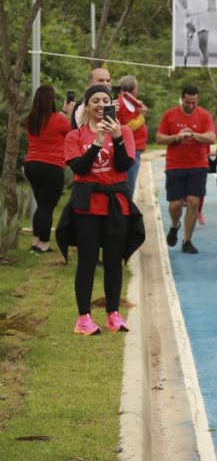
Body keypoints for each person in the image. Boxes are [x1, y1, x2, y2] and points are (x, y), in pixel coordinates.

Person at [57, 85, 143, 335]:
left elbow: (124, 165)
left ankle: (113, 315)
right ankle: (83, 318)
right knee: (86, 261)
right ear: (87, 105)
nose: (99, 104)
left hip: (116, 205)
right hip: (87, 207)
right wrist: (97, 142)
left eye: (105, 100)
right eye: (95, 100)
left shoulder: (125, 132)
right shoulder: (75, 136)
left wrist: (115, 137)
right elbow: (80, 169)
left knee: (114, 262)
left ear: (112, 105)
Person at [156, 86, 216, 254]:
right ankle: (175, 225)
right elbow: (159, 138)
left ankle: (187, 240)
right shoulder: (170, 114)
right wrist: (177, 137)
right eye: (188, 102)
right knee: (175, 204)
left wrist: (193, 135)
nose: (191, 105)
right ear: (182, 99)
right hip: (175, 165)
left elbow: (211, 137)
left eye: (194, 102)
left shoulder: (204, 115)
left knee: (193, 202)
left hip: (198, 165)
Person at [24, 85, 71, 254]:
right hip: (51, 166)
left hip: (31, 165)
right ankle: (43, 244)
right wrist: (68, 112)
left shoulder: (30, 119)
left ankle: (36, 242)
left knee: (41, 205)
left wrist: (63, 114)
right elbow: (72, 132)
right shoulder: (58, 119)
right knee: (47, 207)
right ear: (51, 100)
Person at [115, 75, 148, 198]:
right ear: (133, 88)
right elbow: (128, 127)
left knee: (130, 181)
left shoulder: (129, 101)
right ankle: (126, 209)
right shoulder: (122, 102)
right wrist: (141, 116)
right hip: (131, 147)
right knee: (129, 183)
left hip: (135, 146)